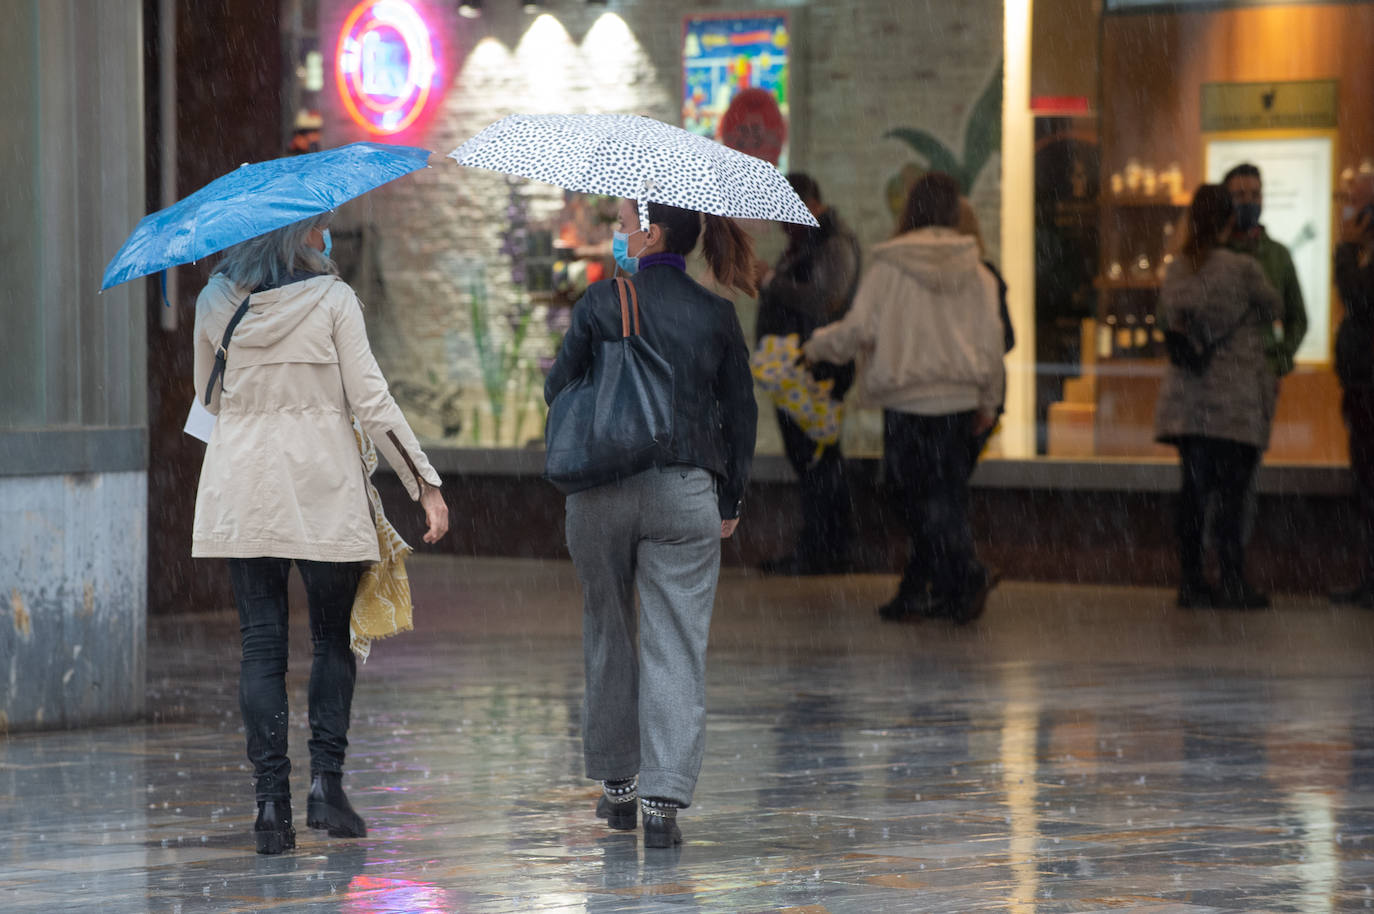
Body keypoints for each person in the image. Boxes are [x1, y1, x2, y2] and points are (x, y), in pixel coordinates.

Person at [192, 213, 449, 854]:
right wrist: (424, 483)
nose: (327, 236)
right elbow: (372, 399)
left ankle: (270, 807)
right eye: (320, 227)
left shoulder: (213, 300)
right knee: (332, 637)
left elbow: (208, 395)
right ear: (299, 235)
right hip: (321, 489)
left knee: (260, 646)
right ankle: (325, 789)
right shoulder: (334, 298)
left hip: (243, 487)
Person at [544, 198, 758, 849]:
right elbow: (740, 414)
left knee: (608, 631)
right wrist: (731, 502)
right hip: (685, 491)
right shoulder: (716, 313)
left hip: (600, 489)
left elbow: (561, 391)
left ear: (652, 233)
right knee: (677, 641)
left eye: (628, 224)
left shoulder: (603, 302)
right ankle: (663, 799)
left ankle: (617, 786)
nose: (621, 234)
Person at [803, 172, 1004, 624]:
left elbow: (858, 330)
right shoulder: (977, 271)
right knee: (944, 498)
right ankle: (956, 582)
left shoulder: (888, 269)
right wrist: (988, 401)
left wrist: (816, 346)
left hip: (907, 404)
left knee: (909, 496)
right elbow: (991, 342)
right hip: (958, 402)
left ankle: (963, 574)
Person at [1154, 185, 1279, 610]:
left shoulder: (1176, 270)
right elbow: (1273, 306)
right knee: (1232, 495)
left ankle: (1190, 581)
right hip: (1233, 399)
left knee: (1193, 492)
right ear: (1230, 220)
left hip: (1189, 399)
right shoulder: (1243, 269)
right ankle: (1231, 579)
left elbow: (1170, 318)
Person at [755, 173, 861, 575]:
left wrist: (770, 281)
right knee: (812, 460)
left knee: (819, 459)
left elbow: (825, 302)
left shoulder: (834, 244)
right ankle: (823, 544)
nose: (782, 224)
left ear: (808, 202)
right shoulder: (806, 243)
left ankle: (825, 547)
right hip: (794, 371)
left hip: (818, 368)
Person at [1331, 173, 1374, 607]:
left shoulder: (1359, 255)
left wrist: (1344, 248)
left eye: (1355, 201)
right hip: (1361, 386)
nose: (1348, 209)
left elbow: (1359, 299)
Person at [1222, 163, 1307, 377]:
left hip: (1263, 370)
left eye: (1255, 194)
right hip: (1220, 372)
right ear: (1226, 201)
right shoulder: (1212, 252)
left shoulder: (1278, 254)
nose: (1249, 201)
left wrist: (1281, 359)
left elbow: (1297, 317)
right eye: (1240, 195)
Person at [956, 196, 1015, 460]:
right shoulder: (986, 276)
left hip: (953, 392)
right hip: (977, 390)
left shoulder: (979, 278)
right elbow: (1006, 339)